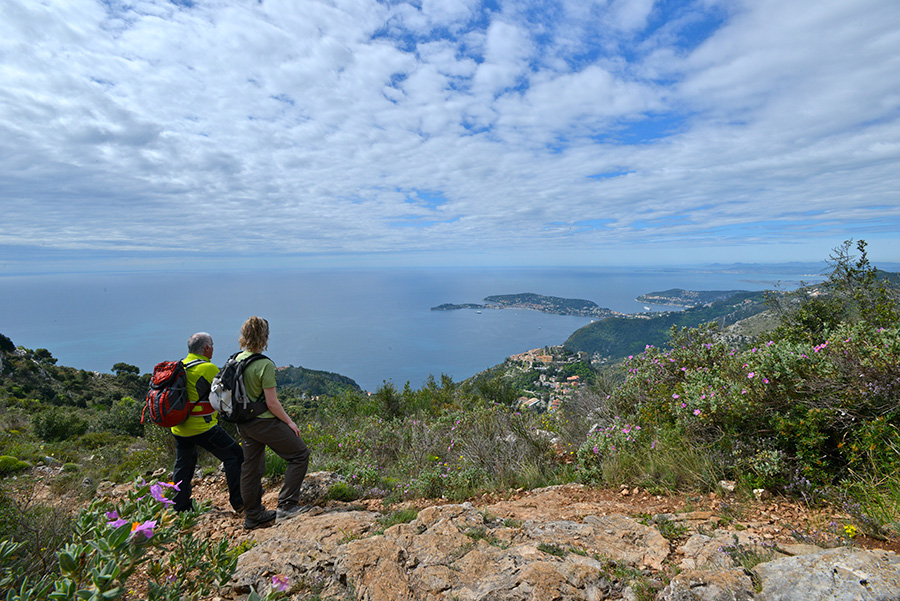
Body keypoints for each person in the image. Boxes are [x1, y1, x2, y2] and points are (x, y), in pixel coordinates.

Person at [235, 316, 311, 529]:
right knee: (299, 454)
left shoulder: (237, 359)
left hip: (245, 423)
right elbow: (272, 403)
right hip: (265, 423)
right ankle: (287, 506)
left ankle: (252, 516)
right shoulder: (264, 364)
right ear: (265, 337)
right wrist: (290, 423)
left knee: (250, 468)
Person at [171, 332, 244, 514]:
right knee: (234, 455)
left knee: (184, 465)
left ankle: (179, 507)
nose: (213, 348)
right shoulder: (207, 368)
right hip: (202, 427)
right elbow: (226, 393)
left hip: (179, 427)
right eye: (212, 345)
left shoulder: (181, 365)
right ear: (206, 348)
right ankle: (240, 501)